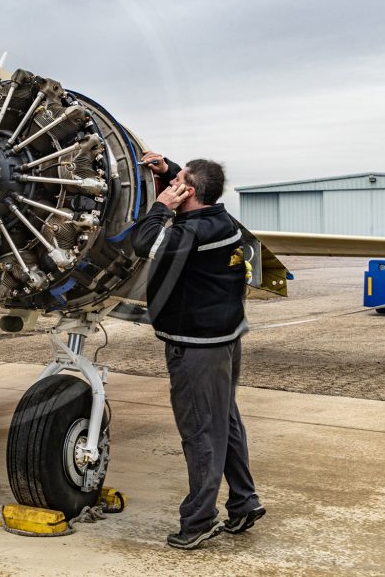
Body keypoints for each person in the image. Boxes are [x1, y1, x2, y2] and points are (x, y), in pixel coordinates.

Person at [131, 151, 266, 550]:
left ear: (189, 192)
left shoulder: (191, 233)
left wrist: (159, 204)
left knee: (201, 433)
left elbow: (143, 242)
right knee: (225, 423)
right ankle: (243, 502)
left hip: (197, 348)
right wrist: (171, 171)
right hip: (224, 339)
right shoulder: (219, 220)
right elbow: (192, 201)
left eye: (180, 181)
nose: (173, 184)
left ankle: (199, 520)